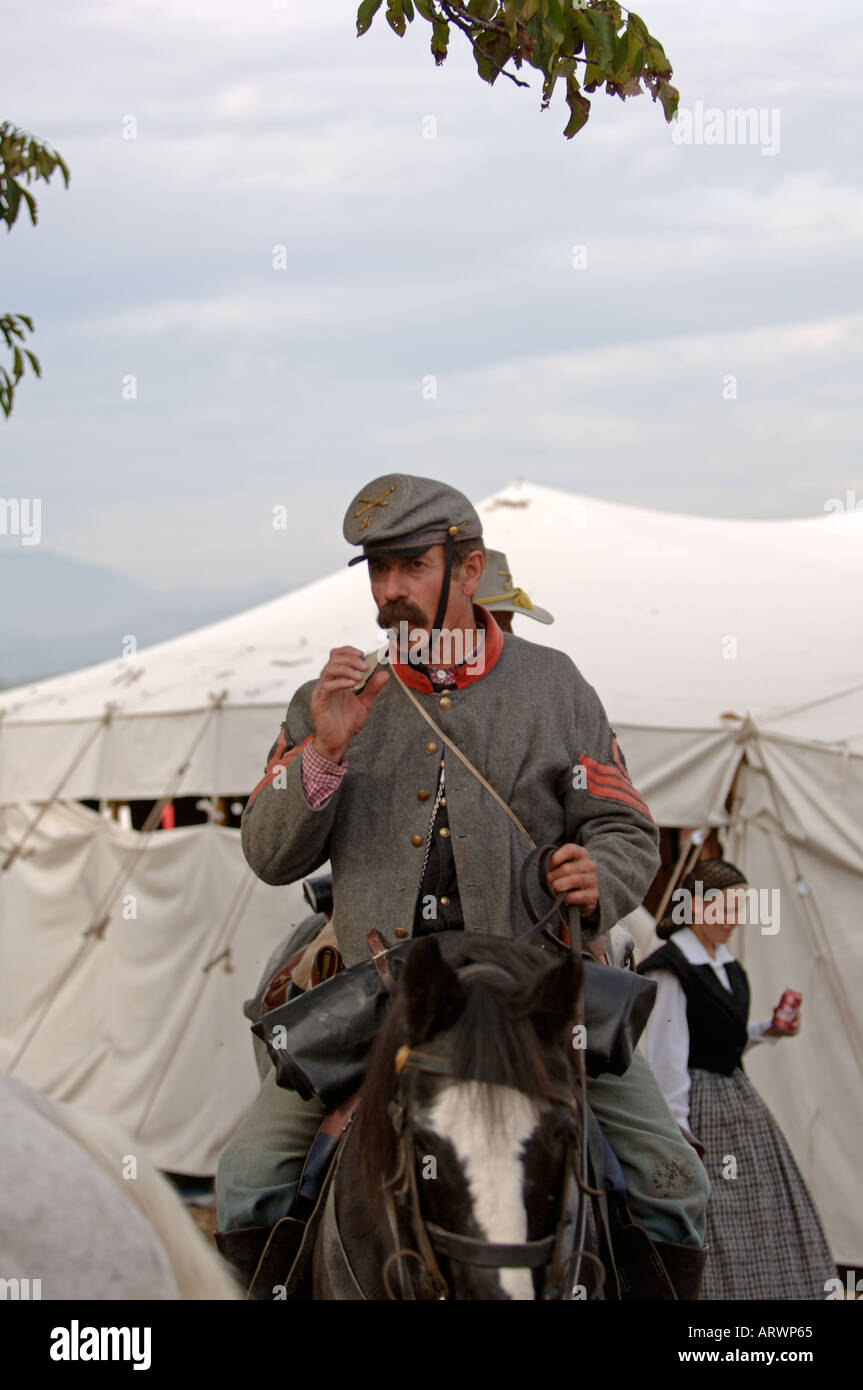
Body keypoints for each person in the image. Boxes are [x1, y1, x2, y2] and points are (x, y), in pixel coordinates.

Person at [216, 472, 709, 1295]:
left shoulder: (555, 687)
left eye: (410, 566)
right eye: (377, 572)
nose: (389, 592)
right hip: (379, 1000)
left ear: (468, 569)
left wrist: (600, 875)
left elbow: (624, 829)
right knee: (247, 1177)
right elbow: (268, 857)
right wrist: (324, 754)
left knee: (671, 1184)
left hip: (535, 994)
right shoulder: (327, 701)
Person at [638, 858, 835, 1300]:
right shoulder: (671, 967)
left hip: (739, 1101)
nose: (734, 920)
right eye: (726, 909)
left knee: (765, 1213)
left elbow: (722, 1043)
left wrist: (767, 1030)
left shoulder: (727, 964)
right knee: (721, 1216)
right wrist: (680, 1136)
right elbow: (669, 1059)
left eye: (740, 909)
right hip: (699, 1108)